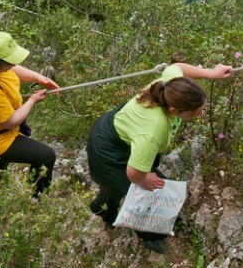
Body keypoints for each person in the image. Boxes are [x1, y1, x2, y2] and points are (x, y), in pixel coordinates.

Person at [86, 61, 232, 254]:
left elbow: (178, 66)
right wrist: (144, 180)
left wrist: (211, 74)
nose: (201, 113)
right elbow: (133, 172)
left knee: (120, 182)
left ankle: (102, 206)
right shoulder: (153, 131)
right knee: (153, 194)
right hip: (107, 151)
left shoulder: (170, 85)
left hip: (119, 135)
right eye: (196, 112)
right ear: (174, 111)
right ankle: (150, 236)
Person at [0, 32, 60, 197]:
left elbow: (13, 69)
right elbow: (10, 121)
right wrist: (31, 101)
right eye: (10, 60)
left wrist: (38, 78)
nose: (14, 63)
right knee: (46, 156)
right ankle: (37, 198)